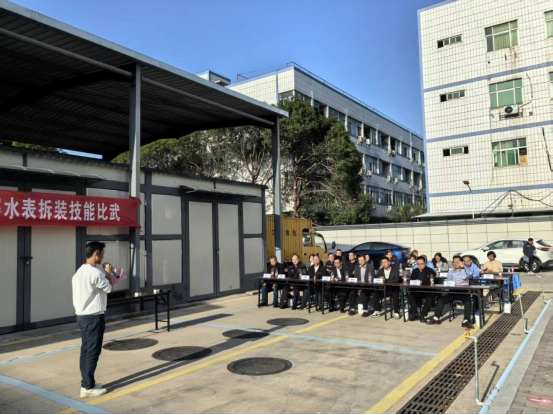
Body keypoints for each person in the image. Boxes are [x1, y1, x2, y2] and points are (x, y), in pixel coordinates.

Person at [72, 242, 115, 399]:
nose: (103, 257)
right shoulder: (95, 273)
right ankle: (87, 387)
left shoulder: (79, 272)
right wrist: (108, 273)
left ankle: (87, 382)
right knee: (92, 352)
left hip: (82, 316)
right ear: (96, 253)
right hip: (94, 317)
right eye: (102, 253)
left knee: (85, 350)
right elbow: (109, 288)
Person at [427, 256, 474, 329]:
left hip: (463, 291)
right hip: (453, 291)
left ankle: (466, 321)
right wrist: (460, 281)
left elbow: (465, 277)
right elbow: (449, 281)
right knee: (441, 300)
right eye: (454, 262)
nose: (455, 264)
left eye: (457, 262)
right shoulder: (451, 271)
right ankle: (436, 318)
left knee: (468, 301)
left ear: (461, 263)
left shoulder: (466, 270)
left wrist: (462, 270)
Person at [407, 257, 437, 322]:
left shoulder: (430, 270)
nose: (420, 265)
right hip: (417, 290)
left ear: (425, 263)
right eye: (418, 264)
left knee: (430, 297)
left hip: (427, 291)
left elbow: (433, 281)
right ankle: (415, 313)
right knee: (410, 296)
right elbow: (411, 280)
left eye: (421, 263)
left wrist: (422, 282)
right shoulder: (415, 271)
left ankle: (423, 314)